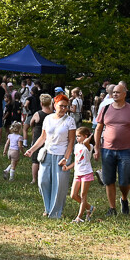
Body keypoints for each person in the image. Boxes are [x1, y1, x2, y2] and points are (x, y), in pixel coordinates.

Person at [94, 82, 130, 217]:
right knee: (109, 180)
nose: (115, 94)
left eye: (118, 92)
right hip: (107, 149)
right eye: (113, 92)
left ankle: (124, 198)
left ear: (124, 94)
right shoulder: (105, 109)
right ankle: (112, 208)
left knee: (124, 181)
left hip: (125, 150)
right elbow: (98, 129)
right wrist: (96, 148)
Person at [25, 92, 77, 220]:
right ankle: (47, 208)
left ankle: (55, 212)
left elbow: (71, 141)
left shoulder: (70, 121)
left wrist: (66, 157)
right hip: (47, 153)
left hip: (62, 156)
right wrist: (32, 150)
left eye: (66, 106)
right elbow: (43, 137)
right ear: (55, 105)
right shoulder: (48, 119)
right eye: (61, 106)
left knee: (59, 185)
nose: (64, 108)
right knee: (43, 181)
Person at [66, 126, 96, 222]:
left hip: (86, 173)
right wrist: (68, 167)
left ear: (85, 136)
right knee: (73, 195)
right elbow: (77, 160)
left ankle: (79, 217)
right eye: (76, 136)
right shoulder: (77, 146)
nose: (77, 138)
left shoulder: (89, 146)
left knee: (83, 195)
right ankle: (90, 208)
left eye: (79, 136)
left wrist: (91, 136)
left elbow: (86, 142)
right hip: (77, 173)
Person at [27, 94, 53, 184]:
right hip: (50, 139)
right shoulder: (53, 115)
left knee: (35, 160)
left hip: (38, 137)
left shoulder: (38, 114)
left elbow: (31, 123)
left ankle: (34, 179)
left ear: (41, 103)